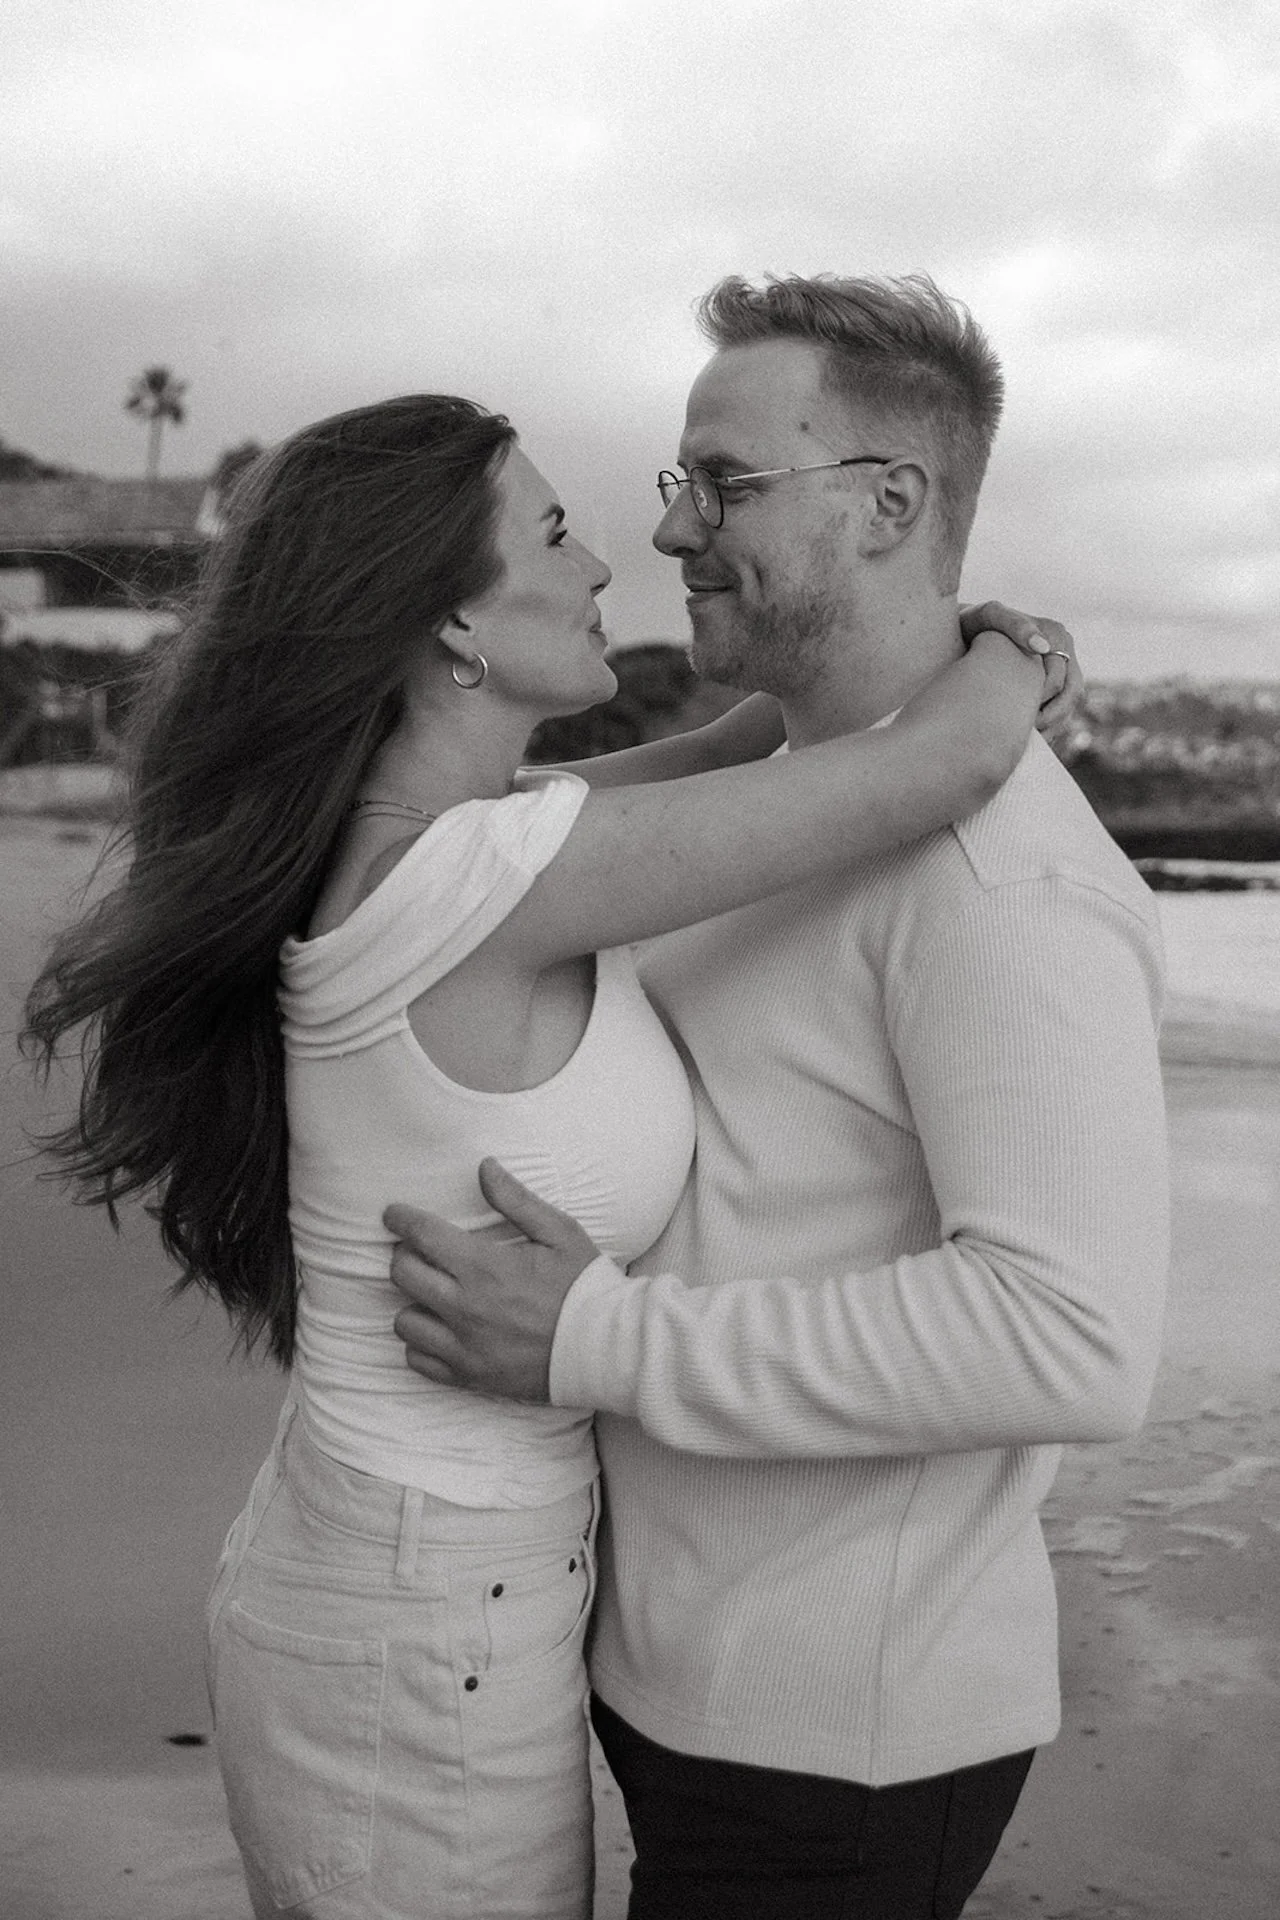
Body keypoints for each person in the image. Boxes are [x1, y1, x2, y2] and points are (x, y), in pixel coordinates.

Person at [21, 389, 1071, 1920]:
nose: (606, 567)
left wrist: (909, 616)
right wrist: (1022, 653)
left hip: (424, 1586)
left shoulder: (462, 834)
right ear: (446, 619)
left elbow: (746, 740)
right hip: (412, 1613)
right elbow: (935, 773)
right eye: (558, 533)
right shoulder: (482, 875)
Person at [388, 276, 1171, 1920]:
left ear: (891, 504)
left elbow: (1069, 1335)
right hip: (675, 1676)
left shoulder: (1002, 878)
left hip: (845, 1736)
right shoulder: (776, 802)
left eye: (722, 484)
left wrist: (592, 1337)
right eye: (680, 484)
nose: (671, 531)